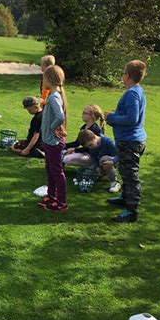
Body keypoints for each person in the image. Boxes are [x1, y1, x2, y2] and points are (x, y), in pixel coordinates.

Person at [105, 60, 147, 223]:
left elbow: (132, 118)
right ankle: (125, 198)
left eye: (123, 73)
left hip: (131, 141)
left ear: (128, 76)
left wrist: (112, 118)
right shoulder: (137, 90)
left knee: (130, 175)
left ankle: (131, 210)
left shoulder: (132, 93)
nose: (122, 76)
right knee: (125, 171)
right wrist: (114, 115)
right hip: (130, 140)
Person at [38, 65, 68, 212]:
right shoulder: (53, 95)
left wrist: (52, 127)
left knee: (56, 171)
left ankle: (61, 202)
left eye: (43, 77)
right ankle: (51, 196)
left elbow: (60, 116)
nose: (42, 80)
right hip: (49, 141)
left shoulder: (54, 97)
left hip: (53, 142)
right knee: (50, 169)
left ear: (49, 79)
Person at [77, 129, 121, 193]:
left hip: (113, 161)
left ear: (94, 137)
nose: (90, 148)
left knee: (104, 159)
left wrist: (113, 162)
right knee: (88, 173)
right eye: (88, 146)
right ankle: (98, 175)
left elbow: (119, 155)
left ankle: (114, 182)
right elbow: (93, 156)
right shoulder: (91, 146)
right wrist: (97, 167)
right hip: (100, 162)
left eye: (90, 145)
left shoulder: (107, 142)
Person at [63, 104, 105, 169]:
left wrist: (74, 150)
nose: (82, 114)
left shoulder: (95, 129)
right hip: (86, 153)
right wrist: (63, 145)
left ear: (92, 116)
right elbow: (77, 143)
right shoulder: (84, 127)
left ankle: (91, 168)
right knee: (62, 152)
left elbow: (91, 148)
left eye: (85, 113)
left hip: (92, 156)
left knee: (66, 158)